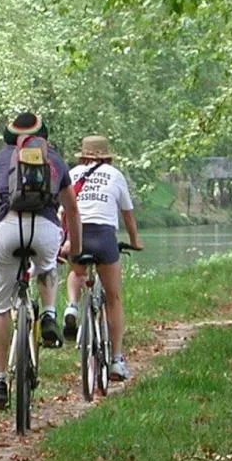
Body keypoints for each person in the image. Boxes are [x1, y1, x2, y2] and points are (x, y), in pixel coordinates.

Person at [0, 112, 81, 412]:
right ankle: (48, 314)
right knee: (47, 268)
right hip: (45, 231)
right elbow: (72, 209)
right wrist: (75, 249)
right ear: (42, 135)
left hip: (7, 229)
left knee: (1, 308)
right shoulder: (55, 160)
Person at [62, 135, 144, 382]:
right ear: (106, 154)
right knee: (114, 298)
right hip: (104, 235)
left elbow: (62, 210)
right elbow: (127, 214)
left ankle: (72, 306)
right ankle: (117, 360)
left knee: (77, 272)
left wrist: (62, 239)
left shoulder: (72, 174)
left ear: (82, 154)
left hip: (78, 234)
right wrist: (135, 240)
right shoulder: (114, 175)